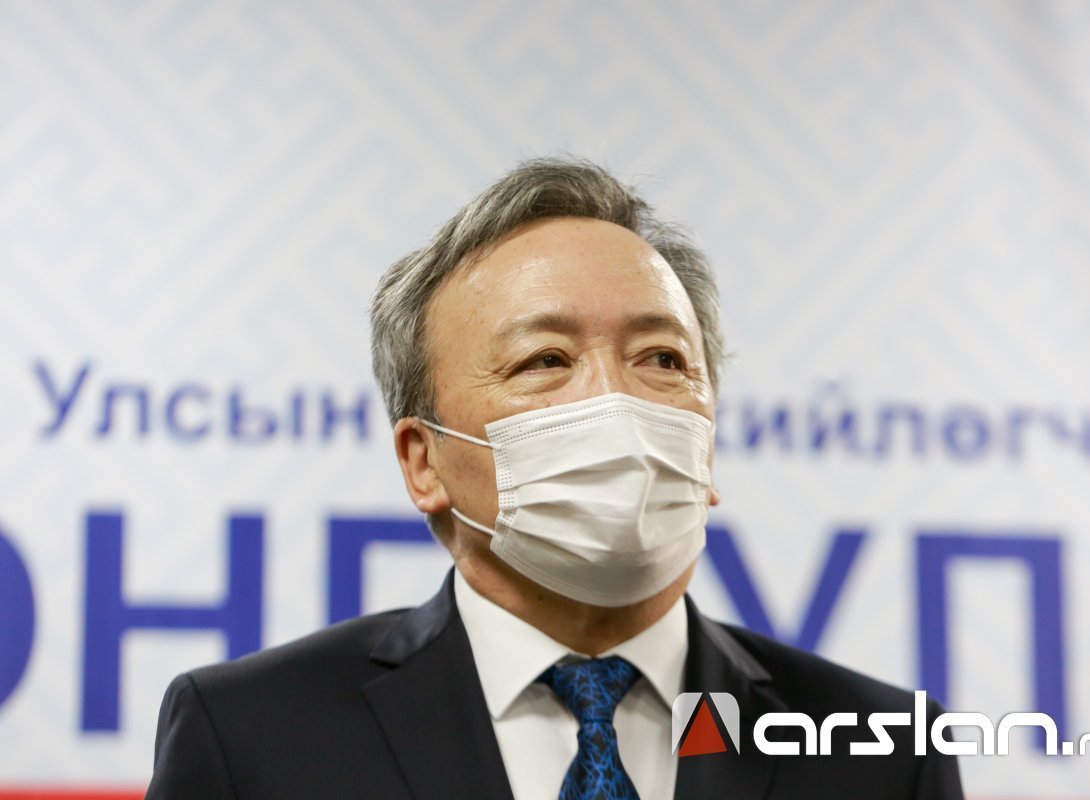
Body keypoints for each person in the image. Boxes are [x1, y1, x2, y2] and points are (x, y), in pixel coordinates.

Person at [146, 157, 963, 799]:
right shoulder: (251, 737)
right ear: (424, 461)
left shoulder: (887, 750)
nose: (615, 400)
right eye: (544, 360)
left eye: (662, 359)